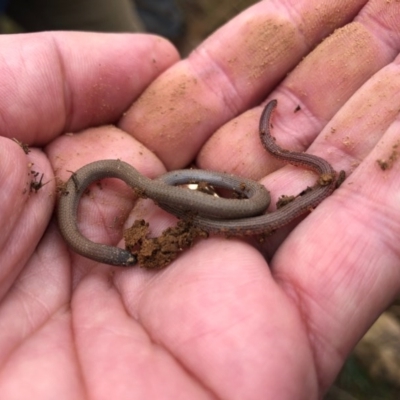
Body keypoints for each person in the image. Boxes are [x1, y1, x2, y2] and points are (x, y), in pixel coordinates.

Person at [0, 1, 399, 398]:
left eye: (125, 256)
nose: (131, 257)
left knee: (252, 200)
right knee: (233, 199)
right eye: (126, 258)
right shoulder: (117, 223)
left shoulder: (172, 198)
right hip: (183, 191)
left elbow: (247, 204)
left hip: (203, 191)